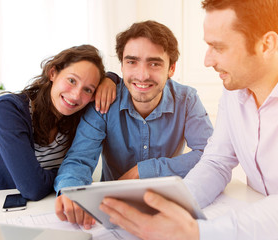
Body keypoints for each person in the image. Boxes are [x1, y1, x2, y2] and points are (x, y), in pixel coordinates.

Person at [99, 0, 278, 239]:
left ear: (266, 44)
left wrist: (196, 232)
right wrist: (167, 210)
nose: (207, 60)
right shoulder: (234, 93)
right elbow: (216, 163)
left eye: (218, 47)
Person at [54, 20, 213, 228]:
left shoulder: (187, 100)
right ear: (121, 65)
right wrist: (70, 192)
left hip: (168, 207)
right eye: (132, 62)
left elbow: (210, 154)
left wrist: (145, 170)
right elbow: (79, 160)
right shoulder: (104, 102)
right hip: (110, 210)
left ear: (171, 68)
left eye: (154, 63)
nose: (142, 75)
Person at [0, 45, 116, 201]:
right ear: (53, 73)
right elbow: (32, 188)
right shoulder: (9, 109)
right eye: (71, 80)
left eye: (88, 90)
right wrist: (66, 174)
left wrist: (111, 79)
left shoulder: (78, 114)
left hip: (48, 207)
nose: (76, 95)